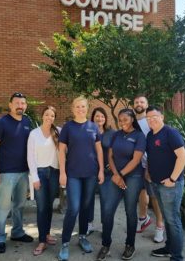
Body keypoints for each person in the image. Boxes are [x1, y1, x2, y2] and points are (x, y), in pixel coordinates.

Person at [58, 96, 104, 261]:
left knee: (86, 207)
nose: (80, 109)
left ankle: (82, 237)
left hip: (90, 174)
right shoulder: (68, 127)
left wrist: (101, 171)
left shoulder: (93, 127)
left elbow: (99, 151)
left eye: (83, 106)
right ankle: (64, 243)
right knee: (73, 208)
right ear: (73, 108)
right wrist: (62, 173)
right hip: (73, 174)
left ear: (87, 108)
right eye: (77, 106)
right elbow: (61, 151)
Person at [96, 109, 146, 261]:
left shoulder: (139, 136)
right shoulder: (116, 134)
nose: (122, 122)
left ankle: (130, 245)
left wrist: (121, 175)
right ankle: (106, 245)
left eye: (125, 119)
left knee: (130, 211)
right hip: (116, 177)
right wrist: (116, 175)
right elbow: (110, 156)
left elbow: (136, 160)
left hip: (133, 178)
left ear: (132, 119)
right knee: (107, 209)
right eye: (119, 119)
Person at [0, 92, 33, 254]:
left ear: (26, 106)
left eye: (23, 103)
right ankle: (0, 237)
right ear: (10, 105)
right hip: (6, 173)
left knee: (19, 205)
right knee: (3, 207)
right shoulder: (2, 123)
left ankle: (17, 232)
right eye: (17, 103)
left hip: (23, 172)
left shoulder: (28, 121)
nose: (20, 106)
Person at [145, 106, 185, 261]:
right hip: (156, 183)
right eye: (148, 118)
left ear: (161, 116)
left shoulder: (170, 133)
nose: (151, 120)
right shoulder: (150, 135)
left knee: (173, 220)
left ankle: (177, 257)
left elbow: (182, 157)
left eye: (154, 116)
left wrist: (172, 179)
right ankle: (169, 247)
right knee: (167, 219)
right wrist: (148, 172)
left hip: (170, 185)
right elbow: (150, 156)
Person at [27, 106, 60, 256]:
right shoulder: (34, 134)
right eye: (47, 114)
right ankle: (41, 241)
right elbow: (30, 157)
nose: (49, 117)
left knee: (49, 206)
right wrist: (34, 177)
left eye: (52, 115)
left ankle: (46, 235)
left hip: (54, 173)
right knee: (41, 208)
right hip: (40, 173)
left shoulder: (58, 131)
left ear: (54, 117)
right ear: (42, 116)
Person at [133, 95, 165, 243]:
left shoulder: (151, 121)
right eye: (136, 102)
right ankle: (143, 218)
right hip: (137, 164)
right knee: (141, 191)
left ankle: (159, 226)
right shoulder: (133, 121)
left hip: (151, 164)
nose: (139, 104)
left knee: (154, 196)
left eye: (142, 102)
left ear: (147, 104)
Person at [87, 107, 116, 235]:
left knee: (106, 200)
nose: (100, 118)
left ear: (105, 118)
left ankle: (106, 226)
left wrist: (112, 165)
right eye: (97, 116)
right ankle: (88, 224)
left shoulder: (111, 133)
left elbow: (116, 151)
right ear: (92, 117)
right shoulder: (87, 131)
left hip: (107, 173)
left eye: (102, 116)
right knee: (88, 199)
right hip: (90, 171)